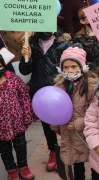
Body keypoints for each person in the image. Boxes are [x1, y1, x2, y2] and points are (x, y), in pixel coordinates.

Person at [19, 31, 70, 173]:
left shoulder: (64, 42)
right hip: (41, 93)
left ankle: (70, 150)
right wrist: (25, 57)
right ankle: (53, 151)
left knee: (68, 123)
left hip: (60, 91)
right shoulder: (31, 43)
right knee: (47, 125)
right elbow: (24, 71)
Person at [52, 47, 99, 180]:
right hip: (69, 134)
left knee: (95, 162)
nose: (70, 70)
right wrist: (56, 125)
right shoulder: (58, 87)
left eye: (74, 66)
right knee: (76, 162)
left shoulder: (91, 87)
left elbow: (97, 111)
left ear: (82, 67)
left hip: (88, 133)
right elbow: (54, 109)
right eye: (66, 67)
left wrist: (79, 123)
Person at [0, 48, 35, 180]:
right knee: (4, 149)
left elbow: (24, 97)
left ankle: (23, 166)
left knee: (20, 145)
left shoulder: (13, 79)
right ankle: (11, 170)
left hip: (17, 121)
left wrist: (27, 115)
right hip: (1, 126)